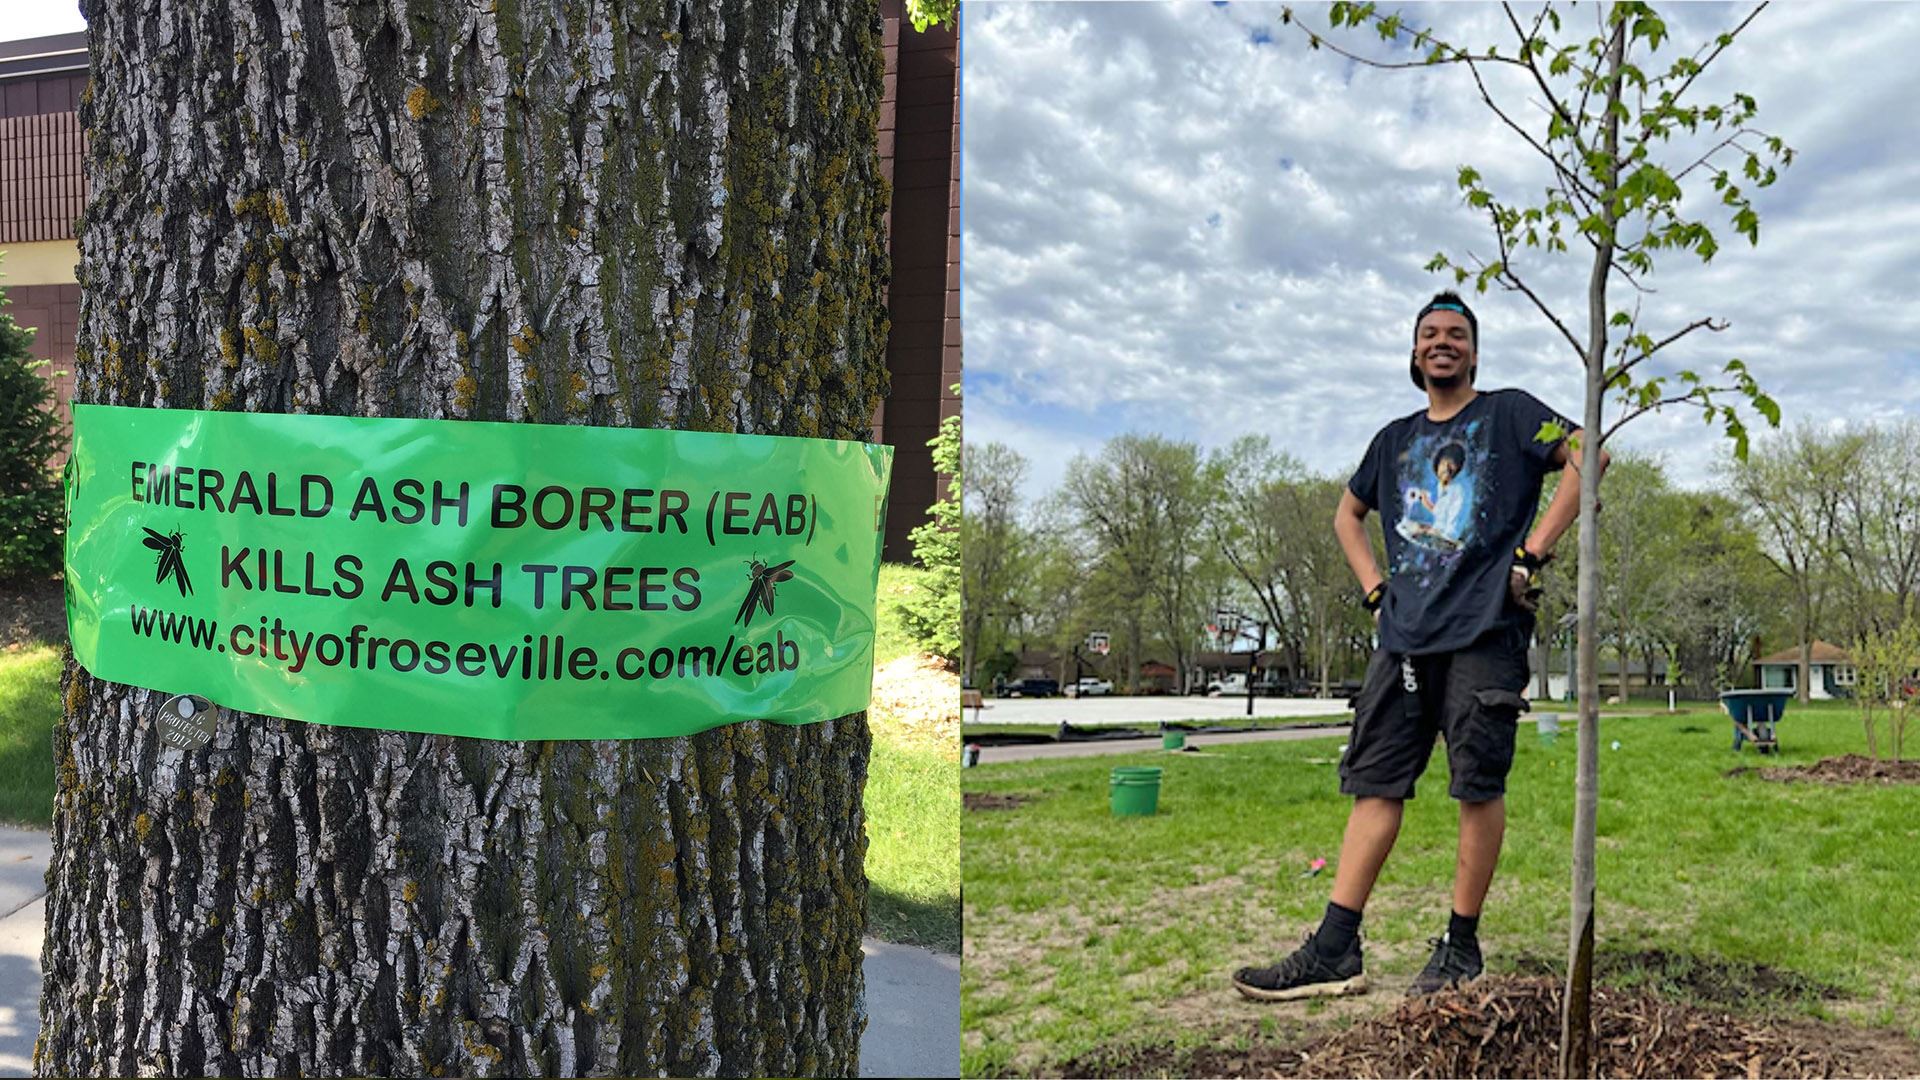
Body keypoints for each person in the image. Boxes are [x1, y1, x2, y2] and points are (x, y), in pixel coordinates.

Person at [1232, 290, 1605, 1001]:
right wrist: (1376, 590)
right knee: (1375, 785)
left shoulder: (1512, 413)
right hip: (1403, 639)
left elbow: (1590, 454)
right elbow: (1348, 514)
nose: (1443, 343)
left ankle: (1460, 948)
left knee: (1475, 787)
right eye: (1430, 333)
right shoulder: (1394, 439)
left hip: (1485, 632)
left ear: (1473, 350)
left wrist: (1532, 553)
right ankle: (1335, 948)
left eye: (1457, 334)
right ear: (1413, 353)